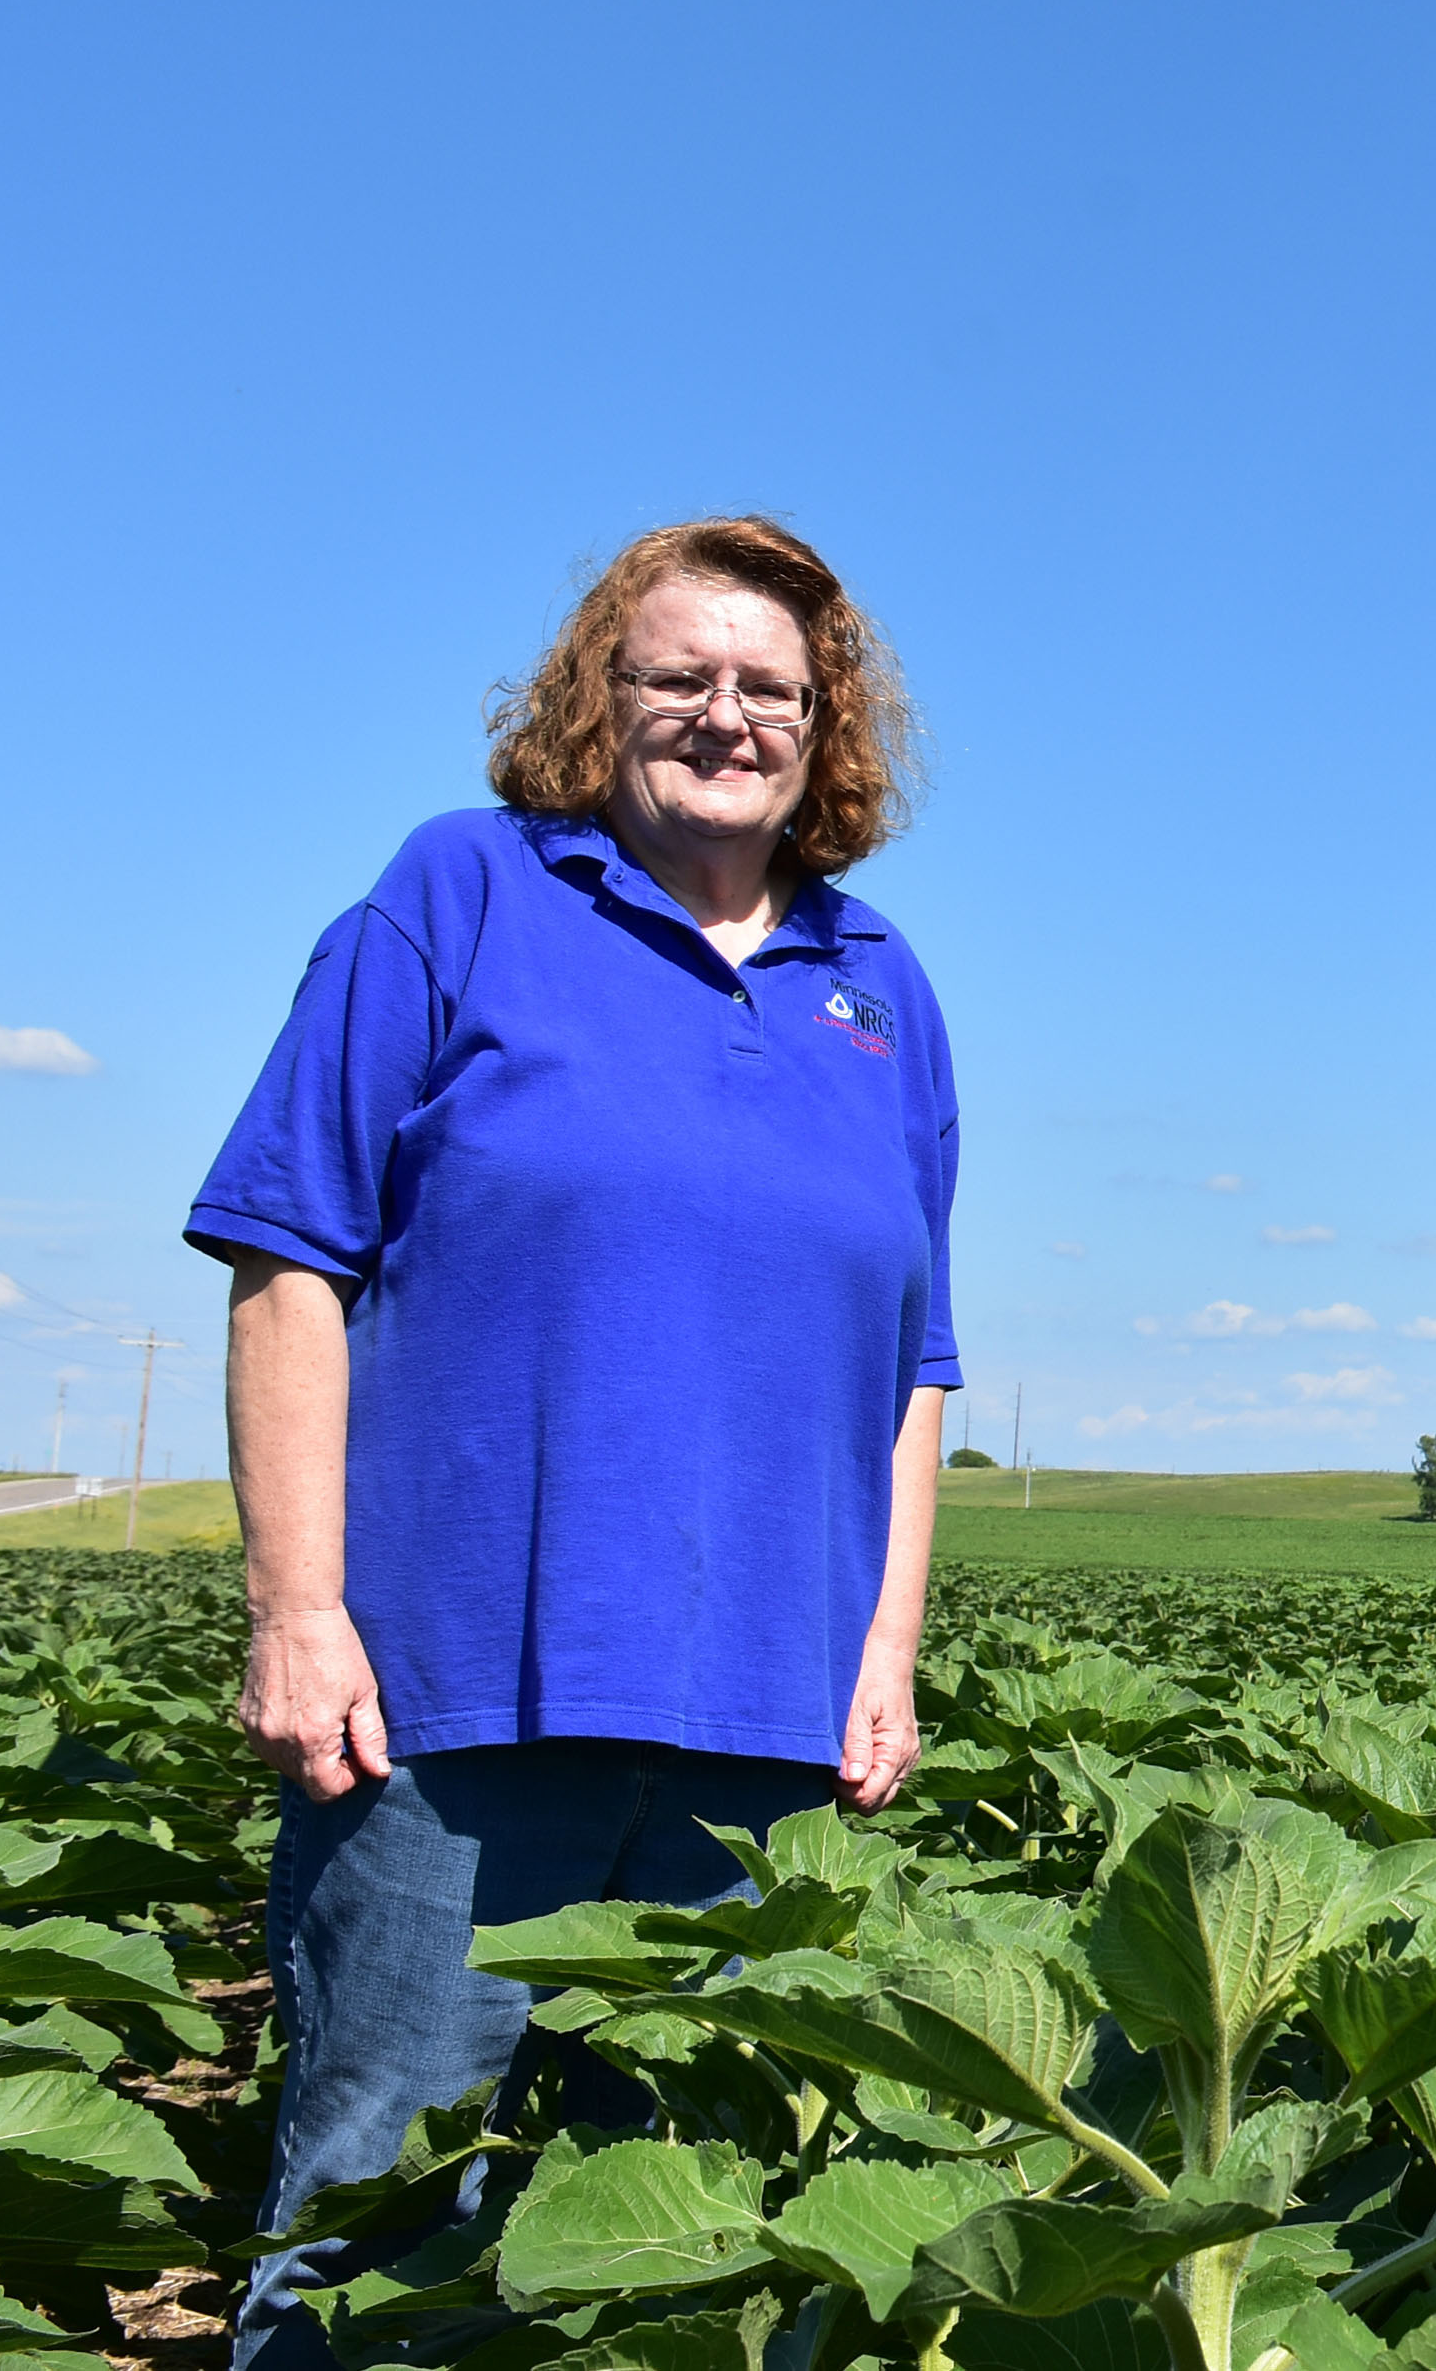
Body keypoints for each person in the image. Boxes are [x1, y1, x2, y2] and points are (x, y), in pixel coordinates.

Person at [190, 518, 959, 2361]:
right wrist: (297, 1612)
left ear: (826, 727)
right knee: (385, 2207)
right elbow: (287, 1257)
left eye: (772, 688)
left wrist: (886, 1647)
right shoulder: (461, 894)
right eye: (678, 675)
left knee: (695, 2233)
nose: (727, 715)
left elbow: (917, 1361)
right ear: (596, 697)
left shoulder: (881, 985)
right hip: (452, 1701)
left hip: (764, 1730)